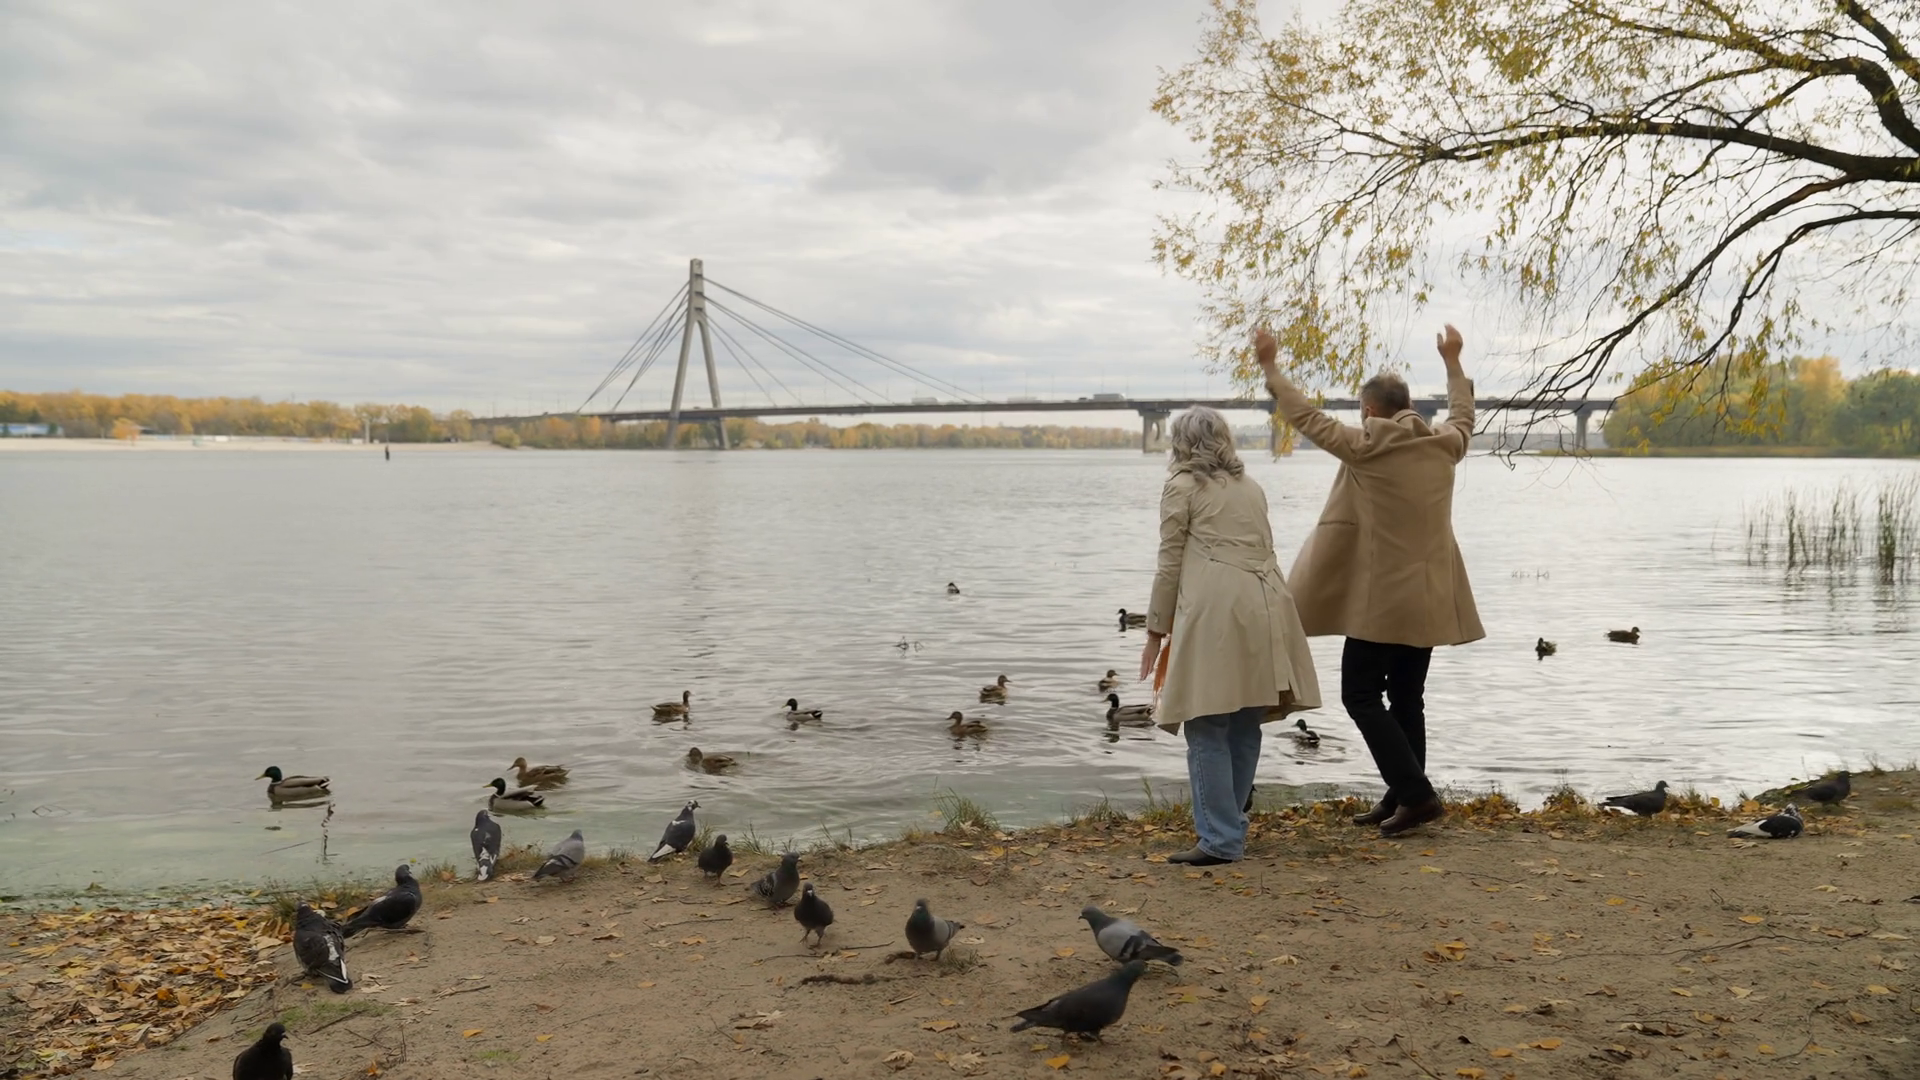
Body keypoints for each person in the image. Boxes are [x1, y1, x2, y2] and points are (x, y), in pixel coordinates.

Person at [1255, 324, 1483, 837]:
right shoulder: (1445, 444)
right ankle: (1402, 796)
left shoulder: (1366, 444)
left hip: (1381, 604)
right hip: (1429, 600)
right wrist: (1452, 360)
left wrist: (1270, 366)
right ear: (1410, 406)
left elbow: (1305, 417)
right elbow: (1464, 414)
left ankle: (1417, 796)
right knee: (1407, 699)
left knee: (1359, 695)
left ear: (1370, 411)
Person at [1139, 406, 1321, 866]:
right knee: (1243, 721)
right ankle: (1229, 829)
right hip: (1267, 606)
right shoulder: (1250, 487)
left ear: (1180, 443)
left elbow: (1169, 561)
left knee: (1204, 722)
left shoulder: (1181, 486)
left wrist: (1156, 631)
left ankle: (1219, 839)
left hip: (1216, 611)